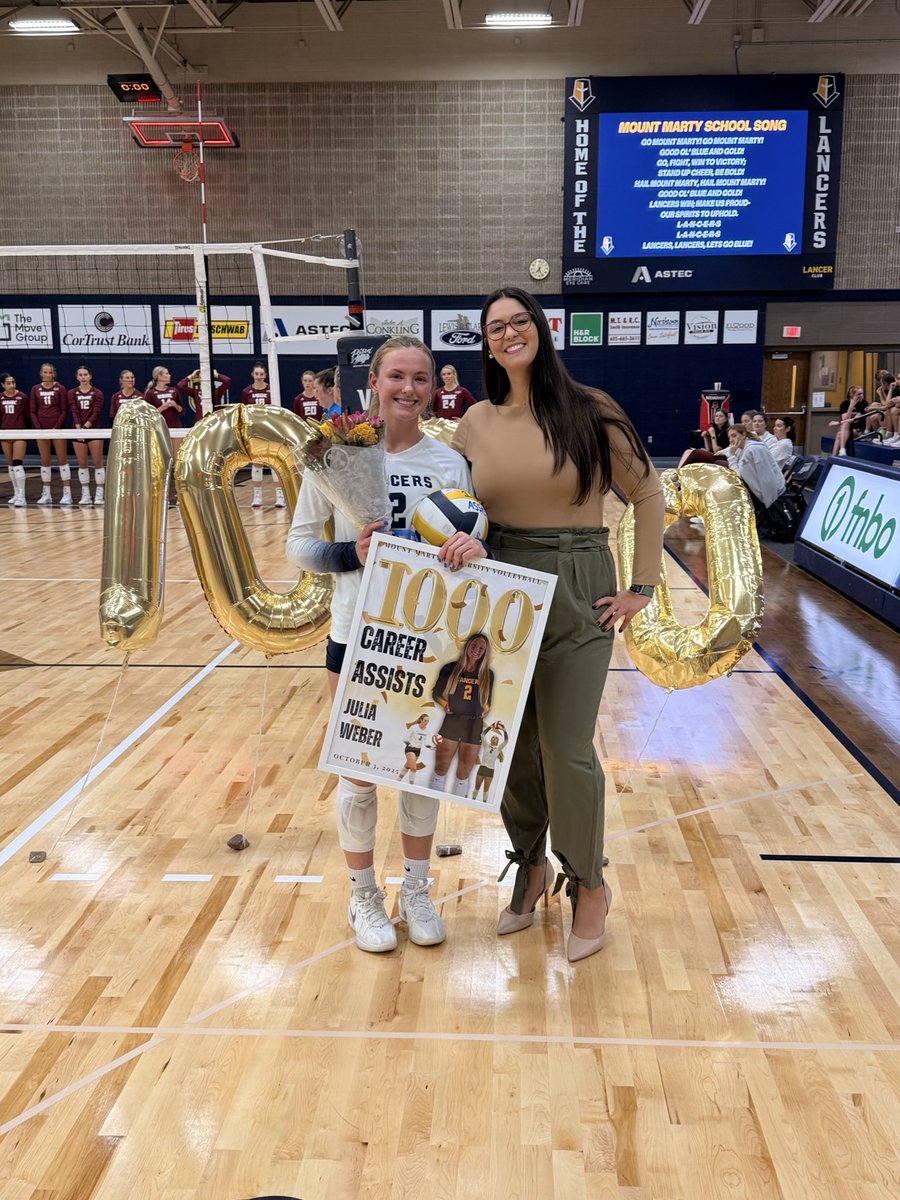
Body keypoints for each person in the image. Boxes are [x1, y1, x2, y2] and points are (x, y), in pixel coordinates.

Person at [451, 287, 664, 963]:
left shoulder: (590, 408)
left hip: (577, 582)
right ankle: (530, 864)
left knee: (568, 749)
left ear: (539, 329)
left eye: (520, 321)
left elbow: (649, 491)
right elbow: (463, 513)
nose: (509, 333)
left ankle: (590, 884)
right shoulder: (474, 422)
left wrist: (641, 586)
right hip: (501, 586)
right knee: (509, 744)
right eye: (496, 327)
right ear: (486, 343)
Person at [286, 335, 484, 954]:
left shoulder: (449, 463)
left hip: (428, 641)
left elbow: (479, 551)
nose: (409, 389)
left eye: (421, 379)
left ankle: (417, 889)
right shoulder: (335, 455)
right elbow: (298, 547)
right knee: (360, 774)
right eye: (396, 376)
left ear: (433, 387)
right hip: (354, 636)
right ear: (372, 381)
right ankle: (363, 895)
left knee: (420, 773)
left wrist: (475, 550)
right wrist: (352, 552)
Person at [430, 634, 494, 795]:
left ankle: (458, 801)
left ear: (485, 652)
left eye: (481, 649)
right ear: (467, 646)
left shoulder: (488, 674)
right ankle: (434, 796)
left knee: (465, 772)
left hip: (473, 724)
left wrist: (486, 709)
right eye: (474, 646)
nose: (476, 651)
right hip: (453, 720)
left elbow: (488, 700)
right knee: (441, 767)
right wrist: (445, 705)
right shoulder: (450, 668)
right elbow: (436, 693)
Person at [240, 362, 284, 509]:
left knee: (273, 462)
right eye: (256, 374)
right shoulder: (246, 391)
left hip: (270, 430)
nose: (259, 377)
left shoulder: (272, 390)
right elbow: (244, 412)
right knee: (257, 462)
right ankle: (257, 496)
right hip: (255, 430)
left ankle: (280, 496)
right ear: (252, 375)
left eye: (261, 374)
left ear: (265, 375)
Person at [29, 362, 71, 506]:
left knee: (62, 459)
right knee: (45, 461)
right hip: (42, 429)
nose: (48, 375)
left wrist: (56, 427)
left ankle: (67, 493)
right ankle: (46, 493)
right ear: (41, 373)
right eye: (45, 372)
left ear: (54, 374)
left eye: (50, 372)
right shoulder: (35, 389)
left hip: (57, 429)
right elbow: (32, 410)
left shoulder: (60, 389)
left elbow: (64, 410)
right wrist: (39, 428)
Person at [67, 365, 105, 506]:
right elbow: (74, 411)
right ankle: (86, 494)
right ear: (77, 377)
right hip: (78, 430)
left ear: (90, 376)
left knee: (97, 462)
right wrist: (79, 429)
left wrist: (86, 427)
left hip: (93, 430)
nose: (83, 377)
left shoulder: (97, 393)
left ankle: (99, 494)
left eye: (85, 374)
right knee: (82, 463)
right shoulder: (72, 393)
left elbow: (96, 412)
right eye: (80, 375)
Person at [727, 425, 785, 509]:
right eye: (729, 437)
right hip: (760, 492)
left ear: (743, 435)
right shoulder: (742, 449)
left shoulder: (753, 449)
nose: (731, 440)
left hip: (771, 495)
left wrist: (771, 505)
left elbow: (767, 478)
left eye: (734, 436)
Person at [1, 372, 29, 507]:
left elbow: (27, 415)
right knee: (11, 464)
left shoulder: (22, 397)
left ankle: (22, 496)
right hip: (5, 434)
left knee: (17, 463)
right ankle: (16, 493)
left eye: (13, 382)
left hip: (19, 434)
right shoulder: (0, 398)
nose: (11, 385)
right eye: (8, 383)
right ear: (2, 385)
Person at [471, 721, 508, 804]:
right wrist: (491, 727)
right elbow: (482, 735)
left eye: (496, 738)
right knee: (477, 787)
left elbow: (506, 741)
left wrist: (504, 731)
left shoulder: (498, 749)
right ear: (491, 739)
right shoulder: (486, 745)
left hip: (490, 770)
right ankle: (472, 800)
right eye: (493, 737)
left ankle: (484, 802)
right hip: (482, 768)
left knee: (486, 789)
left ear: (497, 741)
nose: (494, 739)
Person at [829, 385, 866, 456]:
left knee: (841, 430)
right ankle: (841, 451)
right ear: (852, 395)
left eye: (862, 394)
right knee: (841, 432)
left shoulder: (863, 403)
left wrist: (838, 423)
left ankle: (834, 457)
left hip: (858, 431)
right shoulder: (844, 404)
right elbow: (845, 419)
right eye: (859, 394)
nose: (861, 396)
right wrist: (851, 406)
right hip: (847, 430)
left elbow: (855, 420)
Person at [398, 715, 431, 783]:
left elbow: (425, 743)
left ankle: (398, 780)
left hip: (418, 751)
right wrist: (409, 744)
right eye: (425, 720)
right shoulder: (414, 727)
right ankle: (411, 786)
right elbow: (405, 738)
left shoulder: (427, 731)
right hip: (410, 749)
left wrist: (431, 747)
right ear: (421, 720)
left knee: (407, 766)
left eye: (428, 721)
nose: (426, 722)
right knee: (414, 768)